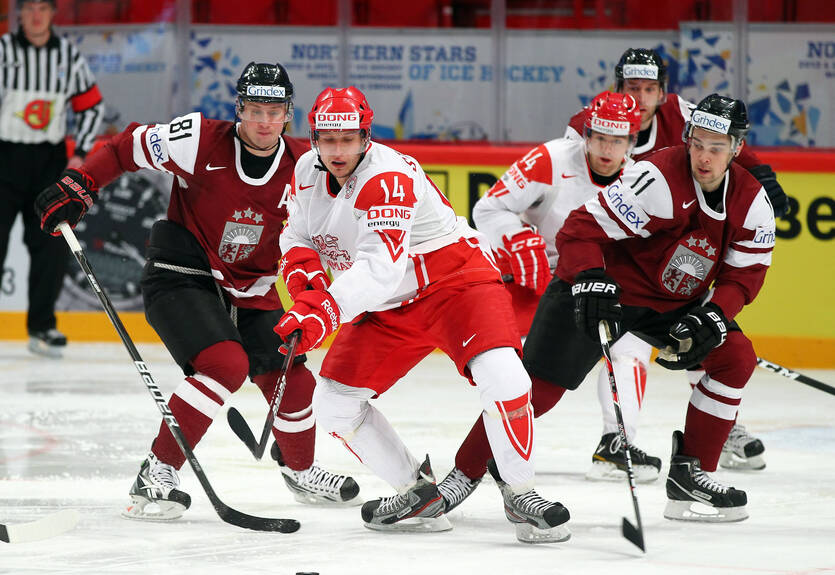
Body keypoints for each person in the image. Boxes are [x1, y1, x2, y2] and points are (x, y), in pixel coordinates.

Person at [35, 62, 359, 520]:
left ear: (289, 113)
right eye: (255, 110)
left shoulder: (307, 166)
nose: (265, 122)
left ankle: (301, 469)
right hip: (182, 273)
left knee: (293, 378)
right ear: (239, 109)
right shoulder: (197, 139)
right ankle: (156, 471)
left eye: (275, 111)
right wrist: (81, 185)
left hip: (254, 287)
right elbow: (125, 147)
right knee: (225, 364)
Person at [274, 85, 570, 544]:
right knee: (333, 402)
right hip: (389, 304)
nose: (338, 151)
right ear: (314, 139)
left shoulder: (387, 176)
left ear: (366, 136)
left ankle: (520, 491)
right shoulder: (305, 172)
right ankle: (418, 492)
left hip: (455, 283)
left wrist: (323, 312)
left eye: (348, 139)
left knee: (506, 378)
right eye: (328, 140)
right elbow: (297, 236)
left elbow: (379, 269)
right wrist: (306, 285)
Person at [524, 93, 774, 522]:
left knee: (735, 356)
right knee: (539, 394)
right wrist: (589, 277)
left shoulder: (752, 202)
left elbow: (742, 277)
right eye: (698, 144)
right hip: (606, 291)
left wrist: (715, 315)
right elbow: (579, 229)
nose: (704, 157)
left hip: (667, 304)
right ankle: (464, 473)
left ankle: (691, 475)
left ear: (737, 148)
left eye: (716, 148)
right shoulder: (657, 177)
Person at [436, 91, 665, 513]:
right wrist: (517, 237)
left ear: (632, 142)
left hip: (592, 284)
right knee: (522, 382)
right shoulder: (551, 159)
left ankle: (617, 440)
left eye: (617, 141)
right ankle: (475, 462)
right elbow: (488, 209)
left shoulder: (644, 180)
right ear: (586, 134)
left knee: (631, 347)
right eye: (599, 138)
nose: (607, 150)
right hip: (534, 277)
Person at [565, 48, 775, 471]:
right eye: (632, 88)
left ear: (663, 93)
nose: (640, 98)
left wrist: (762, 174)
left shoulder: (684, 115)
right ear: (617, 87)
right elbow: (580, 199)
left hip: (669, 259)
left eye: (649, 89)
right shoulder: (590, 124)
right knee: (626, 350)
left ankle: (717, 428)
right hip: (611, 250)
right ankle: (616, 439)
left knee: (702, 333)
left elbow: (726, 145)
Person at [0, 0, 103, 357]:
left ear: (52, 13)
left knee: (50, 244)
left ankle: (42, 326)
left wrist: (80, 152)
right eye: (29, 7)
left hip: (49, 161)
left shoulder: (68, 57)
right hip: (4, 157)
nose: (36, 15)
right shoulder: (3, 51)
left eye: (42, 7)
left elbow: (92, 106)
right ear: (20, 13)